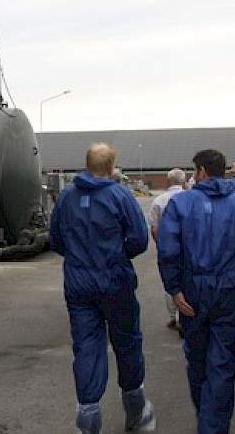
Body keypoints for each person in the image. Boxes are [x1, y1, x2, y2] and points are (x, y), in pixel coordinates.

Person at [156, 150, 235, 434]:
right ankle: (212, 424)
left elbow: (168, 250)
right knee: (222, 364)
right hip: (230, 291)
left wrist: (174, 289)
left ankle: (208, 421)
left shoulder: (180, 204)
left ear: (200, 171)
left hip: (193, 292)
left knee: (198, 360)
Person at [50, 143, 156, 434]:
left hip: (79, 284)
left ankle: (88, 421)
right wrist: (115, 255)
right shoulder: (120, 195)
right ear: (111, 167)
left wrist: (80, 256)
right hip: (115, 281)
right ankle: (137, 413)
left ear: (86, 164)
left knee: (86, 347)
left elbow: (56, 240)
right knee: (127, 341)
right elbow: (139, 239)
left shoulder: (66, 197)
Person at [147, 168, 188, 332]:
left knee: (170, 281)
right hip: (189, 248)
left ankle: (173, 316)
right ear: (184, 181)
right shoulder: (190, 198)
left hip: (167, 247)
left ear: (168, 181)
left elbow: (154, 228)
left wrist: (161, 245)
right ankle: (185, 313)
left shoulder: (159, 200)